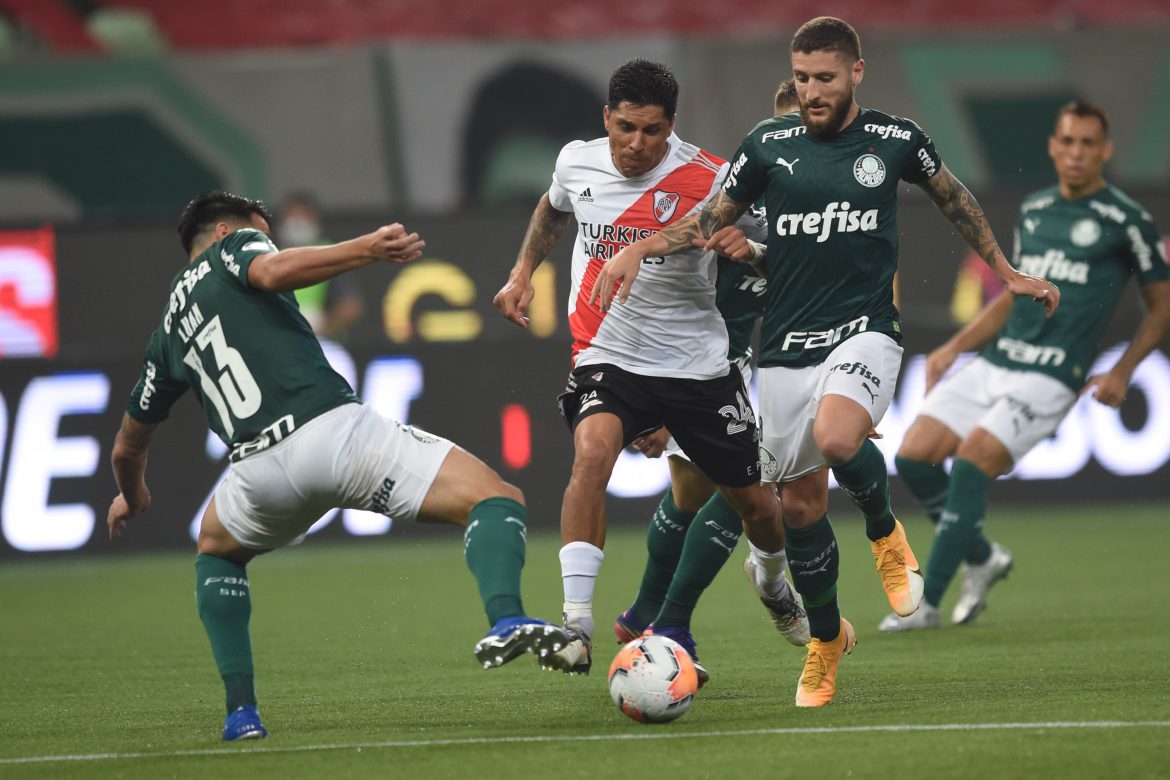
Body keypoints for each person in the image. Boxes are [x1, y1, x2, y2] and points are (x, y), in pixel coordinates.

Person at [590, 17, 1061, 706]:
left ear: (856, 73)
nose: (811, 90)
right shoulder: (767, 146)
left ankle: (884, 532)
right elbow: (709, 220)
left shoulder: (896, 141)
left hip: (865, 328)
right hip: (784, 347)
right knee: (800, 505)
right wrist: (640, 248)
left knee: (840, 437)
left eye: (825, 78)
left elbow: (955, 198)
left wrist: (1007, 269)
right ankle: (825, 642)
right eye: (803, 77)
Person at [108, 191, 569, 741]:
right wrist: (367, 248)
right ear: (228, 229)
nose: (271, 238)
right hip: (332, 434)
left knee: (216, 549)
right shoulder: (230, 248)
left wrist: (133, 497)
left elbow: (128, 445)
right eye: (264, 230)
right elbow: (274, 269)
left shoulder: (166, 334)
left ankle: (241, 713)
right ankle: (507, 617)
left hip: (257, 476)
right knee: (494, 498)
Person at [493, 58, 788, 678]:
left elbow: (776, 256)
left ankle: (771, 580)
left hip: (695, 366)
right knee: (592, 454)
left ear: (670, 126)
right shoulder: (577, 160)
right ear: (606, 117)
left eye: (651, 131)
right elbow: (553, 209)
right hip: (609, 355)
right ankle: (576, 625)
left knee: (756, 507)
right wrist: (523, 272)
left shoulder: (710, 177)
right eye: (625, 127)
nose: (636, 143)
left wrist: (751, 250)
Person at [884, 100, 1170, 631]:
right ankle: (983, 556)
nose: (1077, 153)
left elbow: (1163, 305)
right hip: (997, 361)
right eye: (1068, 141)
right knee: (915, 457)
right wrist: (953, 347)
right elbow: (1013, 295)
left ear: (1105, 151)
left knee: (970, 464)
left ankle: (927, 606)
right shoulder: (1036, 208)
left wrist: (1122, 371)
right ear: (1053, 147)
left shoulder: (1127, 220)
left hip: (1052, 376)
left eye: (1088, 143)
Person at [613, 79, 811, 673]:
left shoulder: (814, 213)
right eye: (787, 131)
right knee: (742, 489)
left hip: (736, 364)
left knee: (694, 493)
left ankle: (646, 613)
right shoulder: (732, 190)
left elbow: (806, 281)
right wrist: (652, 398)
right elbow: (659, 264)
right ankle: (671, 619)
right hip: (691, 366)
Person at [277, 191, 364, 342]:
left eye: (302, 217)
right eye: (292, 218)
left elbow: (351, 306)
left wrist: (322, 326)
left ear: (314, 220)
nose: (297, 224)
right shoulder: (273, 256)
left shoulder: (332, 253)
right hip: (286, 344)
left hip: (326, 346)